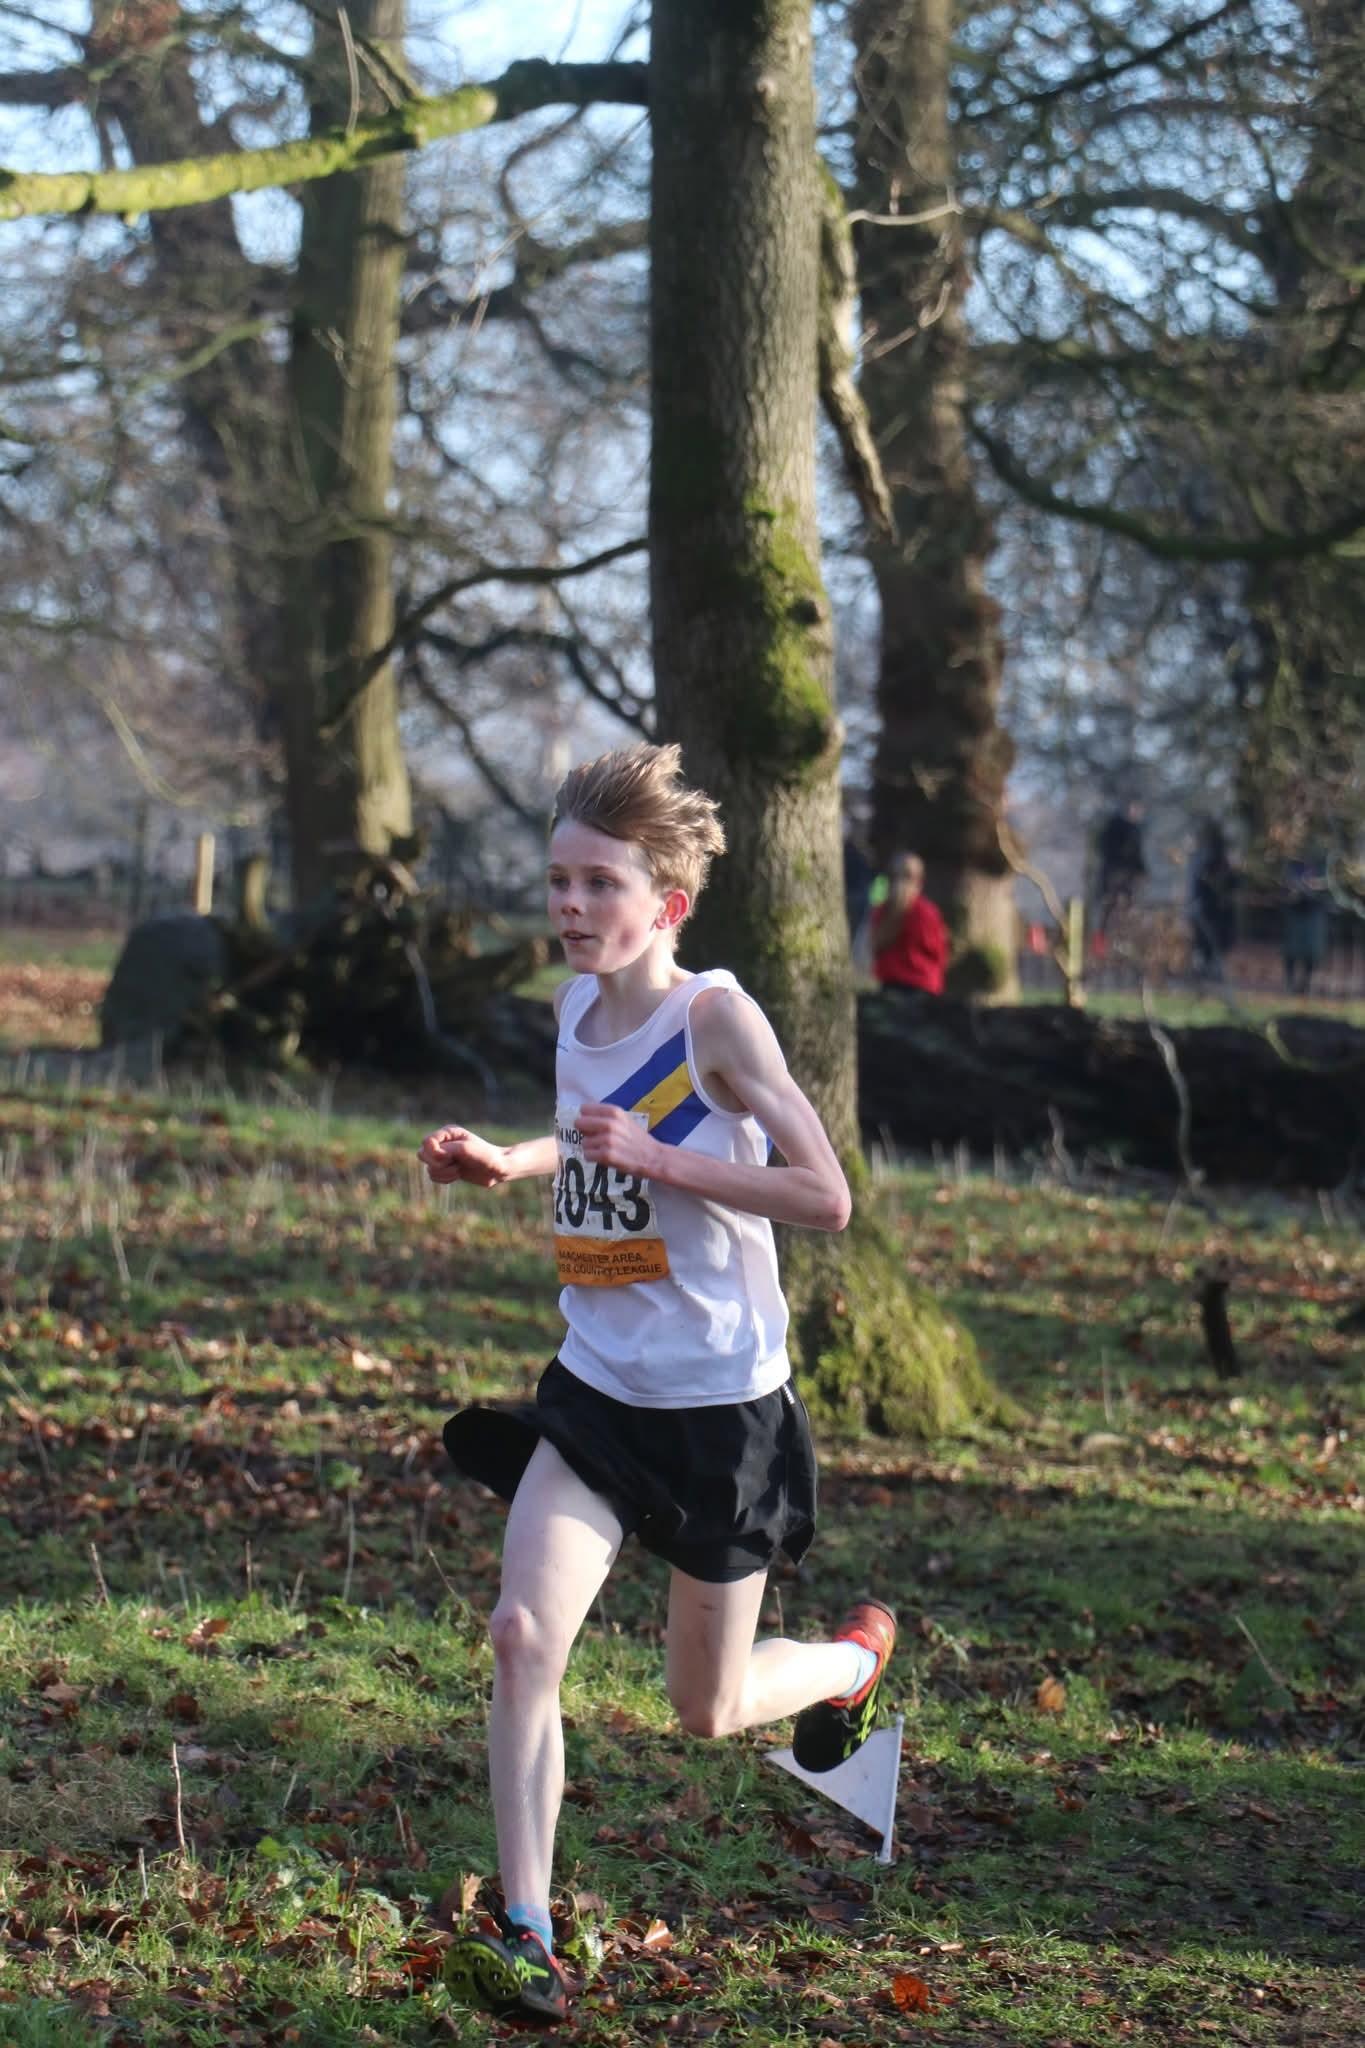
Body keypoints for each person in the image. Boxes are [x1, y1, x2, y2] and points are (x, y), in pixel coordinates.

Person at [419, 743, 897, 2026]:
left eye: (599, 883)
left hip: (721, 1409)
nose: (570, 905)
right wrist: (512, 1162)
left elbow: (826, 1195)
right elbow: (590, 1136)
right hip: (595, 1386)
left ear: (667, 903)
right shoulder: (573, 1008)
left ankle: (848, 1667)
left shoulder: (716, 1019)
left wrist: (668, 1162)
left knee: (708, 1705)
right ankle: (526, 1930)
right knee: (522, 1636)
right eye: (558, 880)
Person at [870, 851, 949, 995]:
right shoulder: (926, 912)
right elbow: (939, 953)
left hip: (891, 987)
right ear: (919, 880)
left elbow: (875, 947)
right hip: (922, 987)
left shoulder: (881, 911)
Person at [1187, 819, 1237, 982]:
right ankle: (1204, 969)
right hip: (1208, 907)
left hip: (1216, 908)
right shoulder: (1205, 858)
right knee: (1205, 940)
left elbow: (1229, 884)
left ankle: (1211, 969)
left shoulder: (1216, 858)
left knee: (1215, 940)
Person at [1094, 797, 1147, 934]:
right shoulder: (1116, 826)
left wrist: (1141, 869)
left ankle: (1120, 935)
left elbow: (1136, 853)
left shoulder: (1134, 829)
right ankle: (1105, 937)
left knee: (1125, 905)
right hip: (1115, 872)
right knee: (1111, 904)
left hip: (1125, 874)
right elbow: (1106, 849)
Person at [1282, 852, 1329, 996]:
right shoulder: (1293, 866)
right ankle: (1289, 983)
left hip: (1313, 913)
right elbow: (1286, 886)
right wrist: (1295, 889)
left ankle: (1306, 984)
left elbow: (1327, 886)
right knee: (1291, 951)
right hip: (1296, 913)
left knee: (1311, 953)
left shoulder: (1323, 865)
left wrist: (1315, 886)